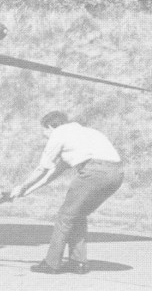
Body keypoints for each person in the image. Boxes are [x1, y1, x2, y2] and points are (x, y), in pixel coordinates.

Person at [11, 111, 123, 275]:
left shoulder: (58, 134)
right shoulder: (84, 133)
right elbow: (54, 172)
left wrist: (21, 185)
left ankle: (51, 264)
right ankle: (78, 263)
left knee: (65, 217)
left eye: (44, 131)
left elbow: (42, 168)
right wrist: (26, 191)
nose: (44, 135)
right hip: (117, 175)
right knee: (77, 214)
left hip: (93, 172)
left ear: (50, 126)